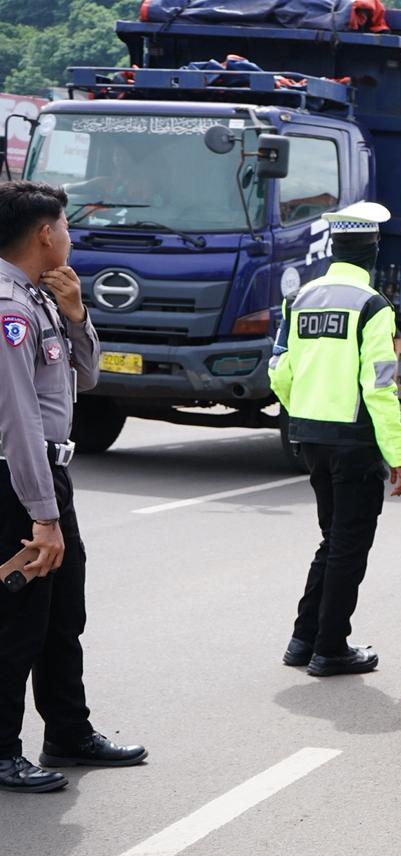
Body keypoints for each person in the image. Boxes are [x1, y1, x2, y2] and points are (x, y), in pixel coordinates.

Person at [0, 180, 147, 794]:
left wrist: (78, 314)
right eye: (65, 226)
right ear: (44, 233)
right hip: (17, 481)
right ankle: (2, 751)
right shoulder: (8, 309)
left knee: (63, 613)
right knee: (17, 621)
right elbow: (18, 420)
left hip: (48, 476)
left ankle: (68, 731)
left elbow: (84, 379)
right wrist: (42, 515)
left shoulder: (42, 296)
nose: (70, 236)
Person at [268, 201, 401, 677]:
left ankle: (303, 639)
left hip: (309, 435)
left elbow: (279, 370)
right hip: (354, 441)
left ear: (335, 247)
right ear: (373, 248)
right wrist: (398, 453)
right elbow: (380, 387)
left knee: (333, 540)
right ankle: (330, 648)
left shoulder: (300, 298)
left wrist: (305, 410)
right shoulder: (373, 306)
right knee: (349, 546)